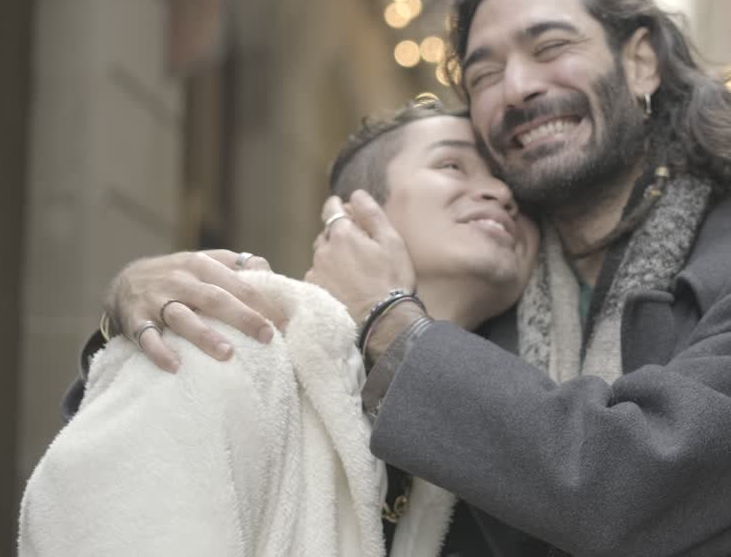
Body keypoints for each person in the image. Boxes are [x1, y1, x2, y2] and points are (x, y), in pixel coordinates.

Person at [93, 0, 731, 557]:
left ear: (642, 60)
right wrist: (142, 308)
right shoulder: (478, 291)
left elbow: (622, 487)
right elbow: (251, 414)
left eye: (550, 47)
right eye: (485, 73)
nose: (517, 88)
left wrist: (392, 321)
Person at [27, 102, 538, 556]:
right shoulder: (223, 340)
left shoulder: (465, 465)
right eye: (452, 165)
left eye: (510, 182)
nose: (500, 193)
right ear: (357, 212)